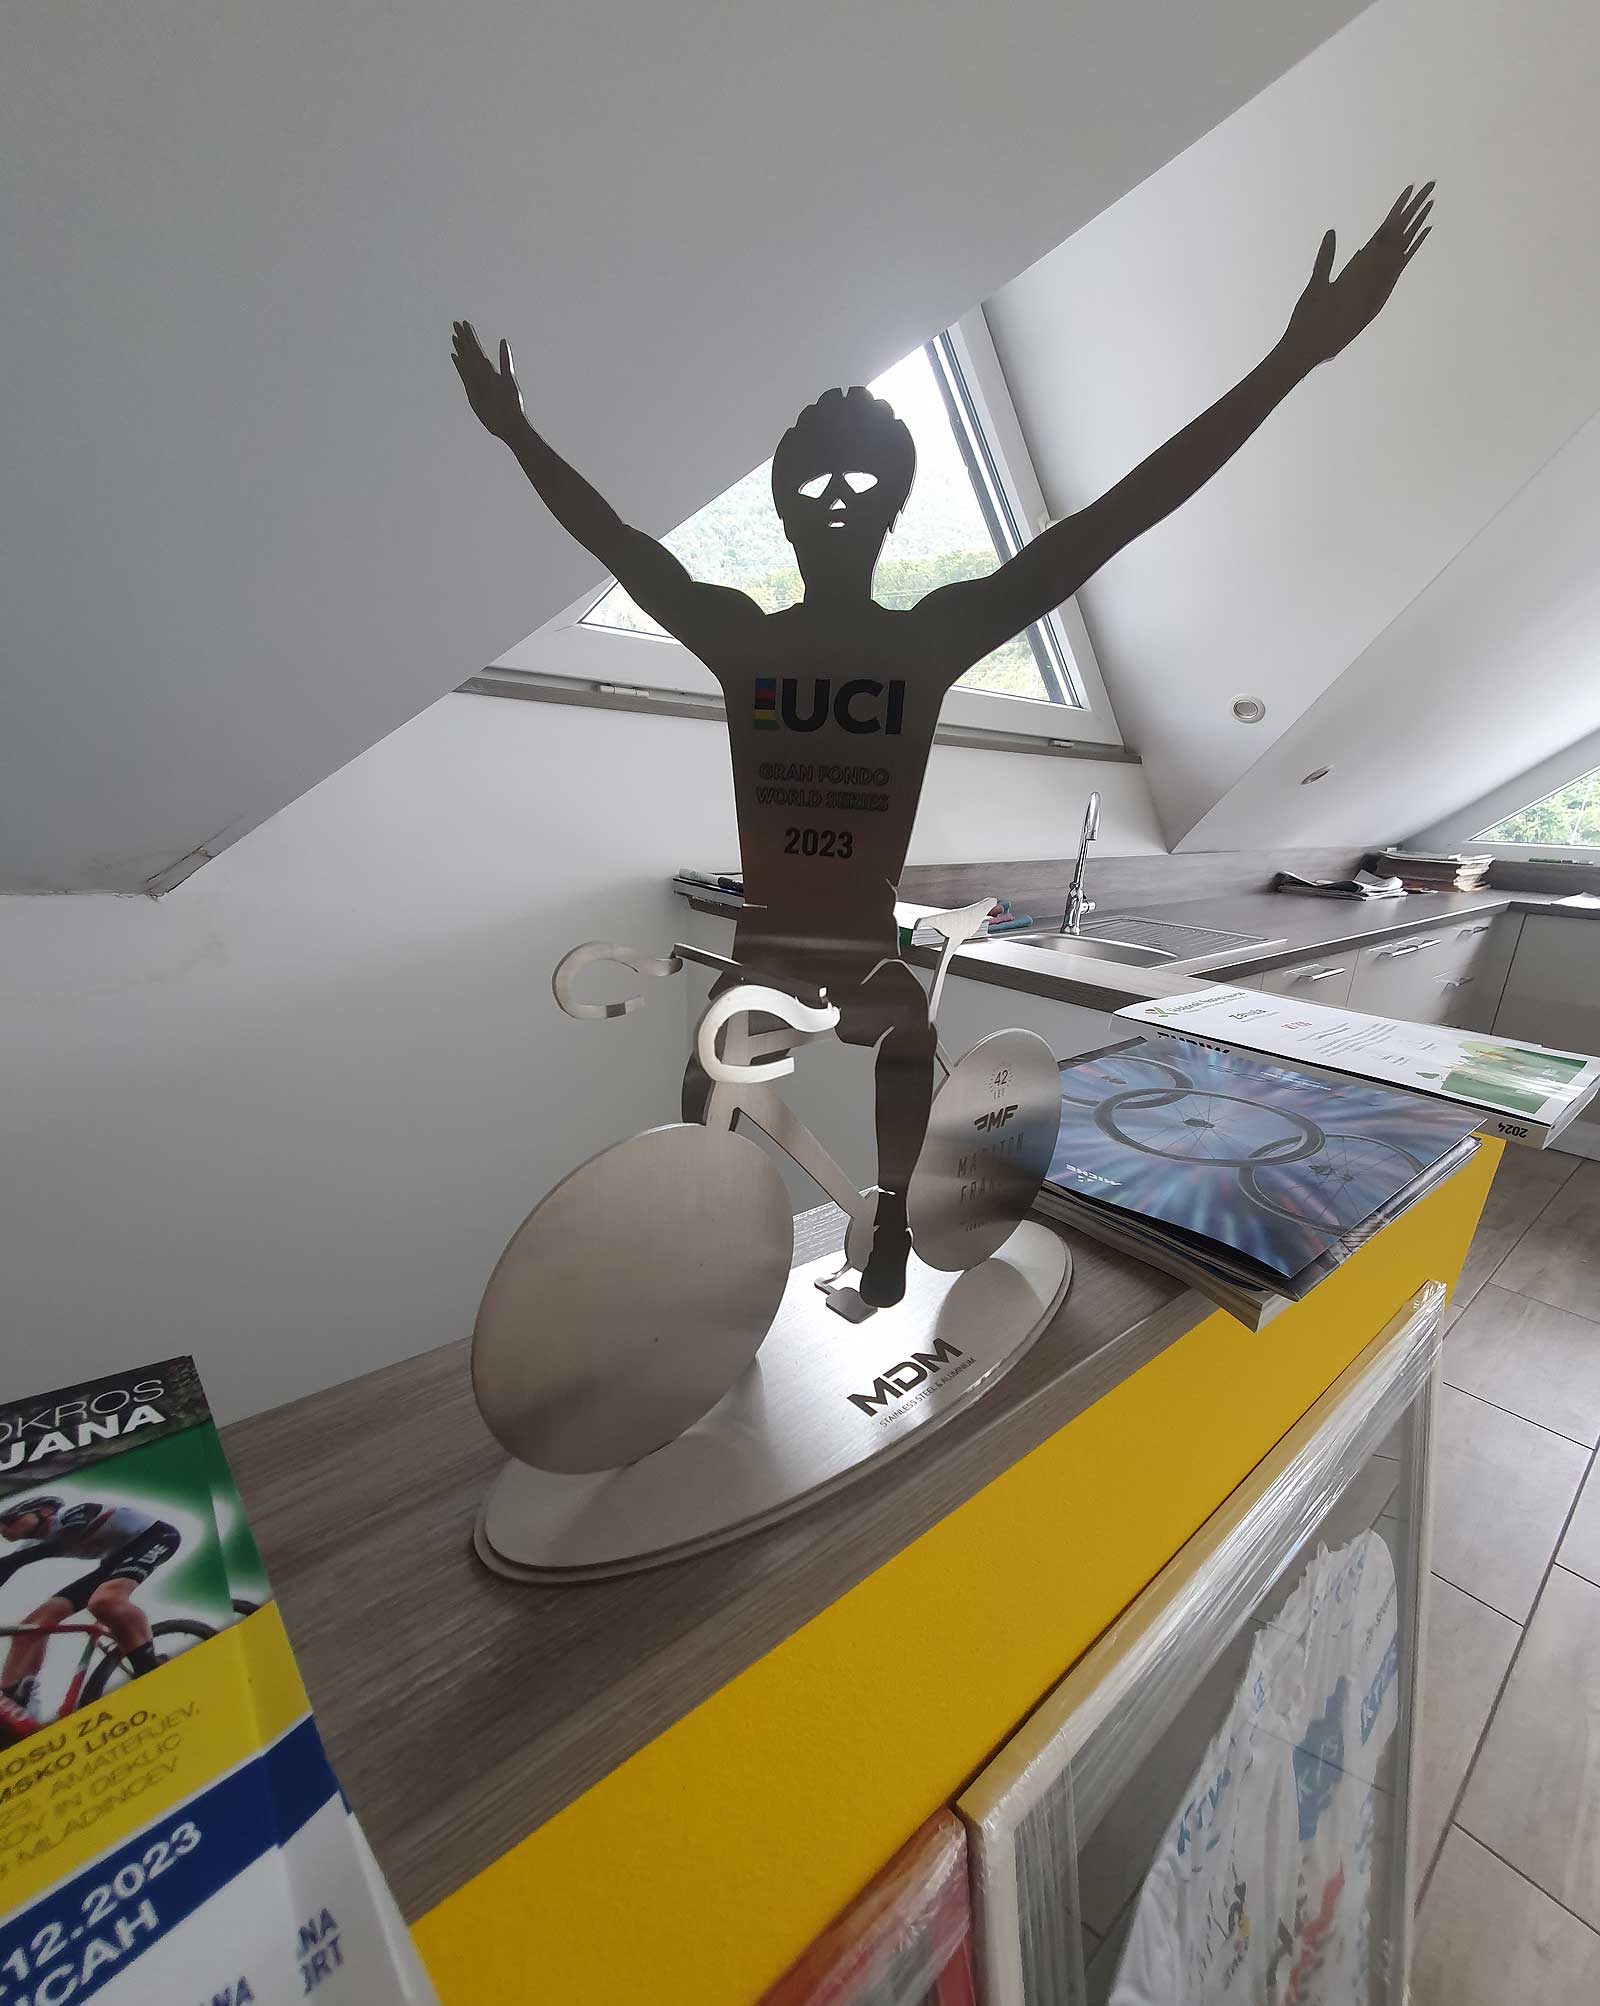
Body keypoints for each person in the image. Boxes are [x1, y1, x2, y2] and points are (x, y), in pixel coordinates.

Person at [453, 182, 1432, 1304]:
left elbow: (1112, 519)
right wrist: (515, 431)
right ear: (783, 507)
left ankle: (883, 1238)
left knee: (905, 1038)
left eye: (860, 483)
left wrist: (1291, 360)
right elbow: (618, 540)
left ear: (890, 510)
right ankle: (702, 1251)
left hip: (868, 954)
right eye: (813, 483)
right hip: (767, 948)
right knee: (711, 1077)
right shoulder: (742, 635)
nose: (835, 498)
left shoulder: (924, 638)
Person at [0, 1493, 180, 1725]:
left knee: (105, 1601)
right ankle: (16, 1699)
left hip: (156, 1537)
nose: (3, 1528)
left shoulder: (73, 1515)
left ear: (43, 1511)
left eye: (9, 1520)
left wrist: (14, 1561)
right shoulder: (32, 1545)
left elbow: (60, 1541)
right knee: (31, 1626)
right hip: (114, 1560)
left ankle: (149, 1670)